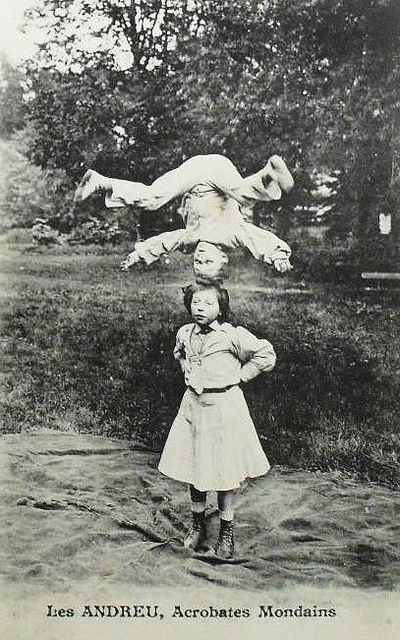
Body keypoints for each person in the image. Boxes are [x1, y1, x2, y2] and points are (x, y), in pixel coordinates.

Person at [158, 283, 275, 558]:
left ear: (221, 308)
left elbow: (266, 355)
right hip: (193, 406)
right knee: (194, 466)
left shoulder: (232, 336)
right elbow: (180, 353)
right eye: (195, 302)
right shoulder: (185, 333)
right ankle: (197, 524)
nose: (200, 308)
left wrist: (241, 377)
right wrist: (185, 366)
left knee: (225, 470)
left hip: (224, 408)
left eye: (208, 304)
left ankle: (226, 529)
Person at [73, 153, 294, 281]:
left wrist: (138, 255)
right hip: (217, 173)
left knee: (152, 199)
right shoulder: (231, 236)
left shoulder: (191, 238)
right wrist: (278, 256)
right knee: (243, 197)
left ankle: (101, 181)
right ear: (224, 259)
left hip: (195, 174)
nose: (201, 257)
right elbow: (255, 238)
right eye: (208, 261)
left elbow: (164, 242)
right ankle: (268, 173)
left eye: (198, 262)